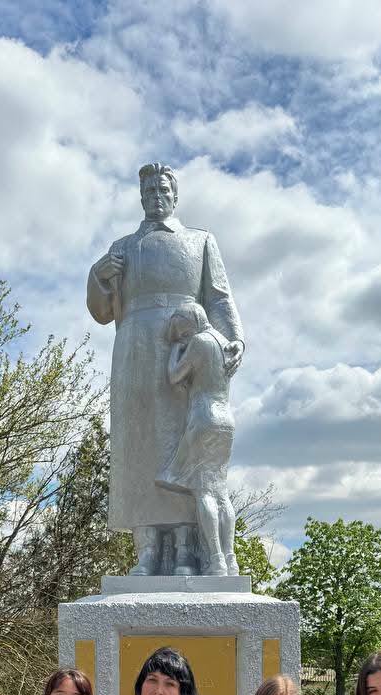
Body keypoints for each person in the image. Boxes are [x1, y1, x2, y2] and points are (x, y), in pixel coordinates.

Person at [87, 162, 244, 576]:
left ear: (175, 195)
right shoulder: (123, 247)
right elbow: (101, 312)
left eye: (162, 190)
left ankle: (186, 550)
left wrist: (234, 339)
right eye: (149, 192)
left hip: (184, 346)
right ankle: (147, 550)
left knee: (180, 447)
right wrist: (99, 276)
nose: (156, 197)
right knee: (139, 447)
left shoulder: (200, 240)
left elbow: (219, 297)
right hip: (135, 348)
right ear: (141, 198)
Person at [158, 301, 238, 575]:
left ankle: (216, 559)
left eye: (183, 330)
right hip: (226, 420)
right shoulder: (225, 342)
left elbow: (174, 376)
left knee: (204, 491)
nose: (182, 335)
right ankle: (231, 559)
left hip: (204, 417)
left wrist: (175, 349)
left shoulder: (199, 342)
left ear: (191, 321)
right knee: (221, 492)